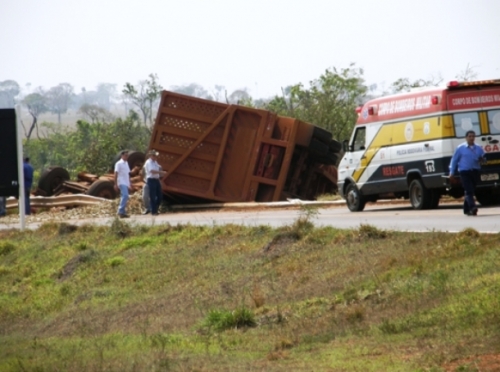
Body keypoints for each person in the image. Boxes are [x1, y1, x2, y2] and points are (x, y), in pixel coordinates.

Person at [449, 130, 486, 216]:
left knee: (471, 190)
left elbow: (484, 159)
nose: (471, 138)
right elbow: (454, 160)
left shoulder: (479, 148)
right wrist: (452, 172)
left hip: (475, 171)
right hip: (464, 172)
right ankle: (473, 208)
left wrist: (482, 160)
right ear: (466, 138)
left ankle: (466, 209)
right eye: (469, 136)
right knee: (469, 190)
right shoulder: (460, 148)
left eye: (473, 136)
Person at [144, 149, 166, 216]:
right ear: (151, 156)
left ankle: (155, 209)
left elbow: (158, 168)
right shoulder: (148, 162)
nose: (155, 157)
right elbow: (152, 171)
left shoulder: (155, 162)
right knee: (152, 196)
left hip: (156, 180)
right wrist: (161, 172)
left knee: (159, 196)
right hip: (151, 180)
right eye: (154, 156)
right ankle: (153, 211)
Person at [114, 150, 132, 218]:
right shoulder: (118, 163)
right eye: (125, 155)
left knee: (124, 196)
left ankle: (123, 212)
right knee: (125, 195)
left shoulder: (126, 163)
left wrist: (130, 183)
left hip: (126, 182)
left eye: (127, 156)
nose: (126, 157)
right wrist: (115, 184)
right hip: (121, 181)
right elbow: (116, 173)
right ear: (122, 156)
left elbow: (128, 174)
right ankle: (120, 211)